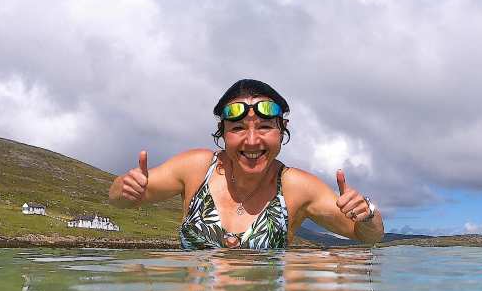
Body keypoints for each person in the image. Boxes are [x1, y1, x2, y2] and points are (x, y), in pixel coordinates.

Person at [109, 79, 384, 249]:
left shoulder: (296, 188)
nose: (252, 141)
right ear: (223, 133)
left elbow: (368, 237)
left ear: (282, 130)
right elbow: (118, 199)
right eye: (238, 128)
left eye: (265, 126)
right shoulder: (195, 168)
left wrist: (368, 213)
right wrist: (126, 187)